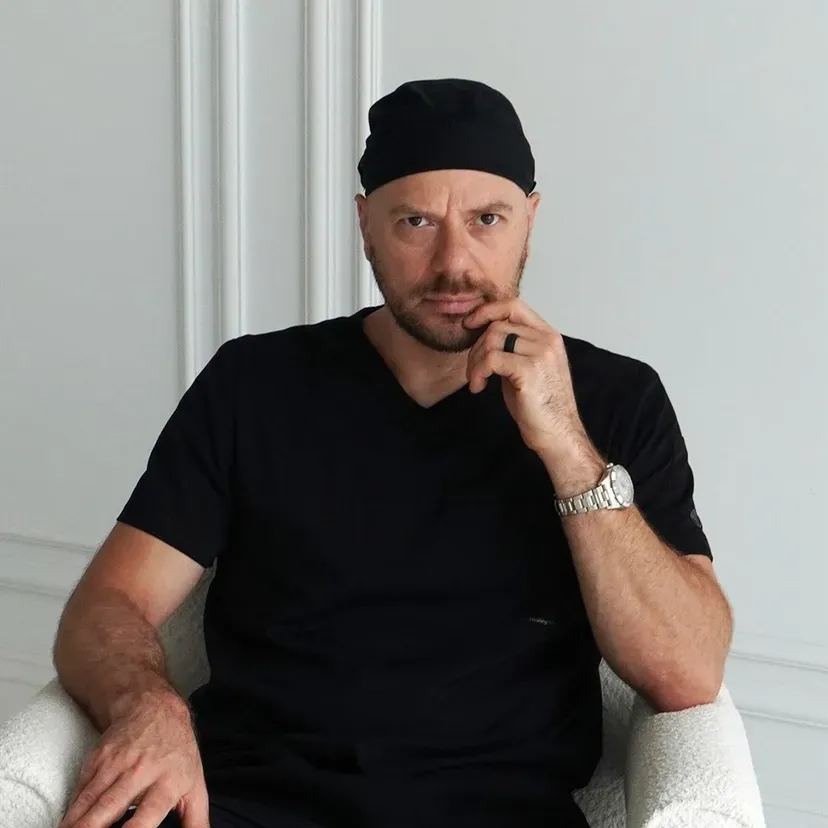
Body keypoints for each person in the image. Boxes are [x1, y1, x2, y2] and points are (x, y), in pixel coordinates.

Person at [53, 79, 733, 828]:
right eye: (416, 221)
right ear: (365, 225)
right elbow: (106, 606)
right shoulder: (254, 383)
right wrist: (148, 708)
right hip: (251, 807)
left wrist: (567, 447)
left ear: (530, 220)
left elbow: (689, 672)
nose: (454, 263)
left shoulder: (615, 399)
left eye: (487, 219)